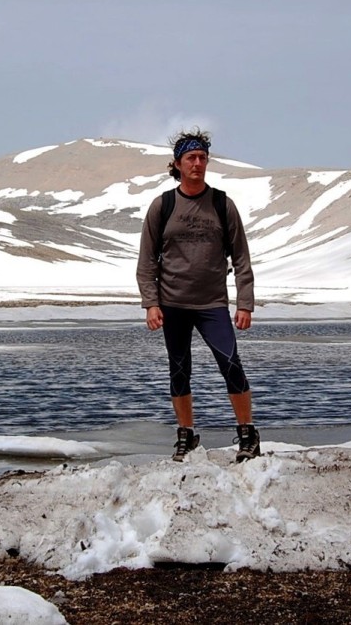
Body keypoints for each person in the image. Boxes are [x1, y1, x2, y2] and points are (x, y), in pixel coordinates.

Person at [136, 128, 260, 463]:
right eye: (191, 158)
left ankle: (248, 433)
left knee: (231, 364)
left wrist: (244, 303)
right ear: (177, 164)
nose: (198, 164)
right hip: (173, 304)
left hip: (212, 304)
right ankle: (186, 436)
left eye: (203, 158)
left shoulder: (222, 204)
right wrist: (151, 303)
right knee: (179, 370)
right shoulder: (163, 206)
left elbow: (241, 258)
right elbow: (146, 259)